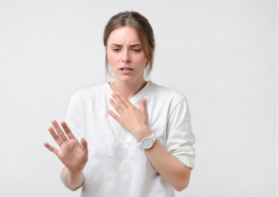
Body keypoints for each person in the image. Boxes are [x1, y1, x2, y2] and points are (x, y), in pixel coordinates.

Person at [44, 11, 196, 197]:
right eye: (116, 49)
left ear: (149, 53)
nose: (125, 58)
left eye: (136, 49)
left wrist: (143, 133)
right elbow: (72, 184)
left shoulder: (172, 101)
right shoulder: (83, 101)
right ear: (106, 52)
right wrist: (75, 169)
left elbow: (181, 181)